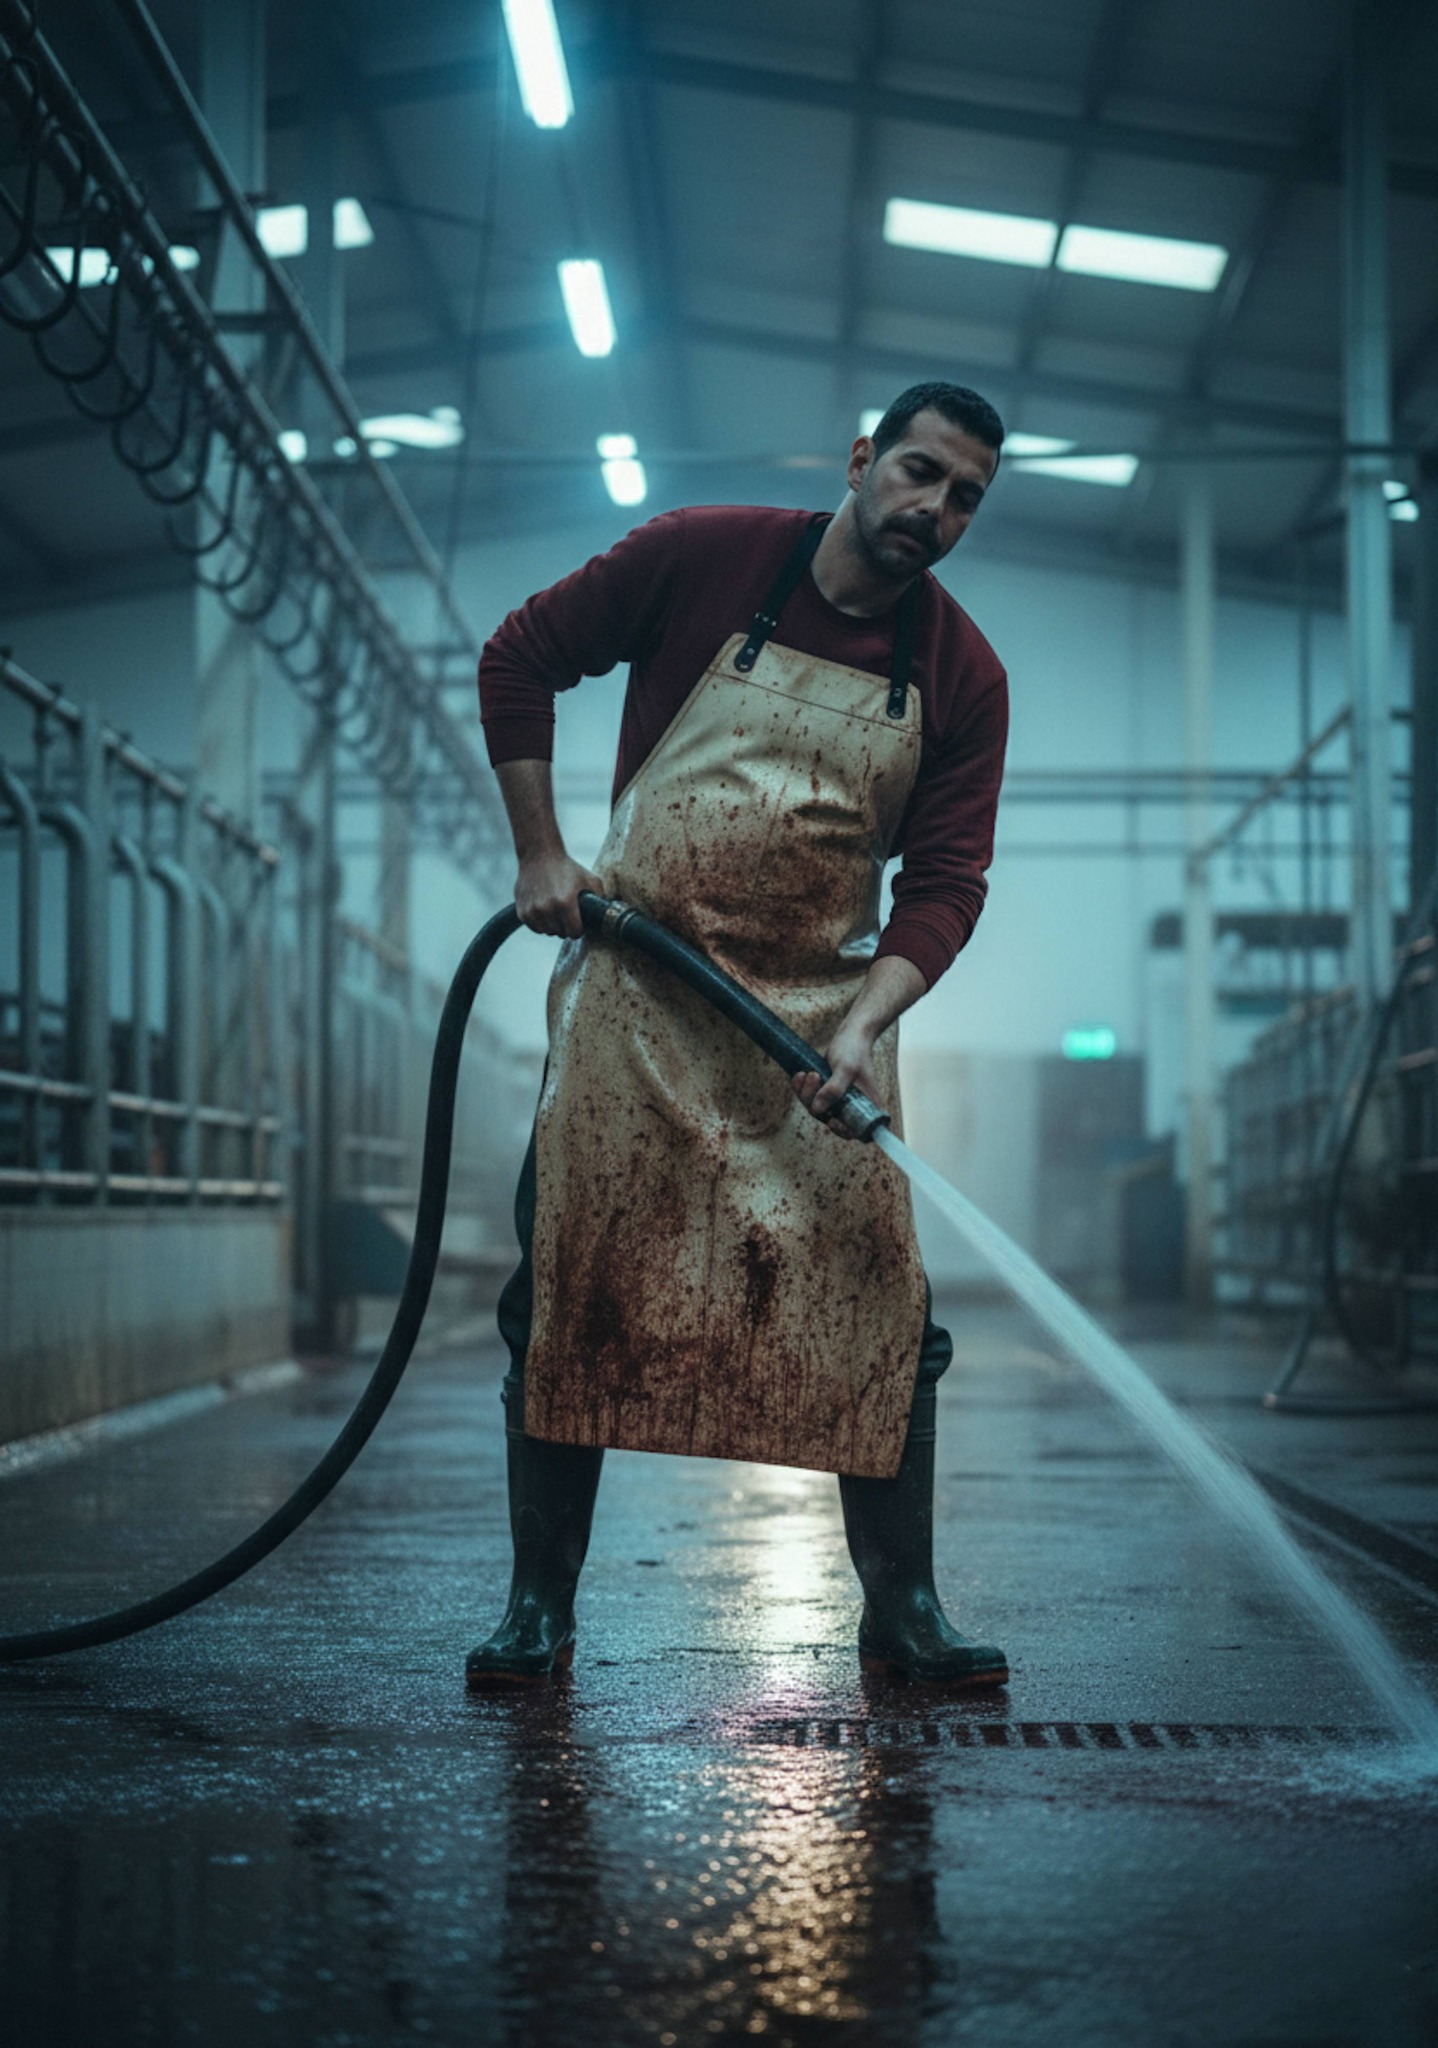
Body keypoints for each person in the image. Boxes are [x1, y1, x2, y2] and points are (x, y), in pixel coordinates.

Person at [467, 381, 1010, 1690]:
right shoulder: (699, 554)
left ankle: (905, 1611)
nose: (934, 510)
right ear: (863, 458)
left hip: (813, 1032)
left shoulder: (960, 672)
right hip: (635, 1008)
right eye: (920, 474)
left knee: (890, 1311)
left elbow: (944, 884)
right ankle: (540, 1609)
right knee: (562, 1295)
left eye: (965, 499)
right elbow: (518, 657)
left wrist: (869, 1026)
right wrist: (542, 853)